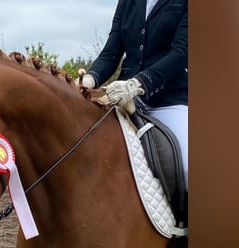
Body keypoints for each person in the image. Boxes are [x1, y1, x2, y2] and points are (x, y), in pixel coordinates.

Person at [78, 0, 188, 186]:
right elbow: (111, 53)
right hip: (122, 98)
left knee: (187, 168)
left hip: (168, 100)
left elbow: (181, 52)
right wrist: (89, 80)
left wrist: (139, 83)